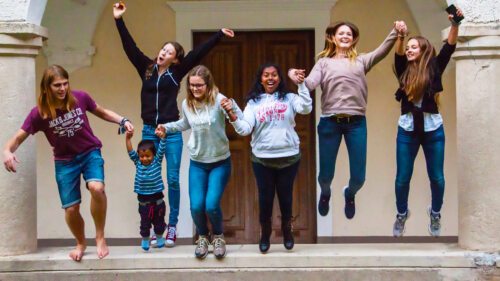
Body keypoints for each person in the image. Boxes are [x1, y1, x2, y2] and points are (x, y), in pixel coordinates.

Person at [112, 2, 234, 247]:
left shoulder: (176, 73)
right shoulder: (146, 69)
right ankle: (152, 226)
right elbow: (129, 46)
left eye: (169, 52)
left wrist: (218, 36)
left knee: (173, 180)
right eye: (162, 49)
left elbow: (197, 55)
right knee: (149, 177)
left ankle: (172, 227)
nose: (163, 53)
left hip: (171, 132)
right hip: (149, 130)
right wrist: (118, 20)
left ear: (175, 58)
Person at [2, 65, 133, 261]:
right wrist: (7, 151)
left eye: (65, 83)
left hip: (90, 153)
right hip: (65, 162)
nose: (63, 89)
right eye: (57, 85)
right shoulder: (39, 113)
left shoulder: (80, 97)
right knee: (71, 209)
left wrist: (123, 120)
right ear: (47, 87)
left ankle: (100, 237)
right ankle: (80, 242)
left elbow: (102, 112)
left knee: (97, 188)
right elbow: (18, 138)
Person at [289, 20, 403, 219]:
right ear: (333, 38)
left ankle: (349, 194)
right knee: (325, 176)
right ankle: (325, 193)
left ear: (353, 39)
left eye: (348, 34)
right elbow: (309, 85)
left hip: (356, 124)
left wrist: (395, 31)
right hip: (329, 123)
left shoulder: (361, 61)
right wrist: (294, 75)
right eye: (341, 33)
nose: (344, 36)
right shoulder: (324, 63)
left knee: (359, 178)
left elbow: (382, 50)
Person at [222, 63, 312, 254]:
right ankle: (265, 233)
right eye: (266, 75)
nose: (270, 78)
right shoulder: (254, 103)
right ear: (260, 79)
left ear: (279, 78)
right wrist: (232, 114)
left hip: (288, 156)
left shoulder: (289, 98)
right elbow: (245, 129)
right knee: (265, 199)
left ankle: (287, 229)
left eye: (274, 75)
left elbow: (306, 108)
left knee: (286, 197)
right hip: (262, 159)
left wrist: (301, 85)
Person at [391, 9, 462, 238]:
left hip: (433, 130)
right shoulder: (404, 71)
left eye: (414, 47)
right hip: (407, 129)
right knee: (402, 178)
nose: (410, 50)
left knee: (437, 177)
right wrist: (401, 37)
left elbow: (449, 48)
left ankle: (435, 212)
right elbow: (399, 56)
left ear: (423, 50)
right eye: (408, 47)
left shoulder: (434, 68)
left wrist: (455, 24)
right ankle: (402, 214)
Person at [157, 65, 234, 259]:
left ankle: (218, 237)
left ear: (208, 85)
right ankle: (202, 237)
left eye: (199, 85)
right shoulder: (187, 104)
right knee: (196, 206)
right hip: (198, 162)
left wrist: (233, 111)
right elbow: (184, 123)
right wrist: (166, 127)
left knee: (211, 204)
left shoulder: (219, 100)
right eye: (192, 85)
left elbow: (235, 118)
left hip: (219, 161)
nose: (195, 89)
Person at [125, 130, 167, 251]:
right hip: (144, 203)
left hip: (158, 201)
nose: (145, 159)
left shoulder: (157, 161)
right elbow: (130, 152)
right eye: (142, 156)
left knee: (159, 222)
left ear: (153, 155)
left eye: (148, 156)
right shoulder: (138, 162)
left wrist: (163, 138)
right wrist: (128, 139)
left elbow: (162, 150)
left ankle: (159, 237)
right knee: (145, 223)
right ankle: (145, 239)